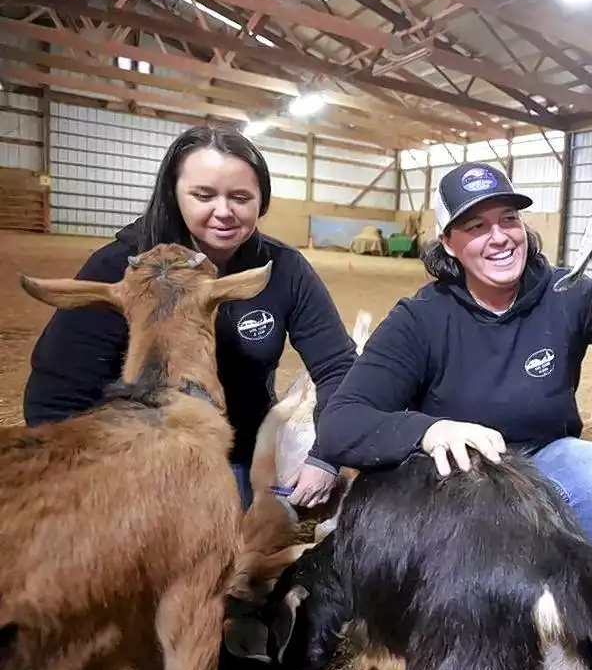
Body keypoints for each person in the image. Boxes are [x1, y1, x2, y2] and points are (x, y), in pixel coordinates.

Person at [314, 162, 592, 551]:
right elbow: (340, 423)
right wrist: (429, 431)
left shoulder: (566, 293)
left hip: (539, 464)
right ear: (448, 242)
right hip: (451, 480)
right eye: (476, 226)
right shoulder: (420, 319)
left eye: (508, 219)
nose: (500, 237)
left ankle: (554, 586)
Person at [23, 124, 356, 511]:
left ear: (261, 201)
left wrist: (326, 455)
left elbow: (338, 367)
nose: (224, 212)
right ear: (174, 194)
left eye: (241, 197)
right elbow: (57, 395)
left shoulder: (282, 268)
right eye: (203, 195)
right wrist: (86, 485)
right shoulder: (122, 268)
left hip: (234, 452)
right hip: (127, 457)